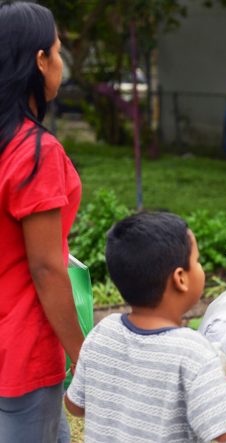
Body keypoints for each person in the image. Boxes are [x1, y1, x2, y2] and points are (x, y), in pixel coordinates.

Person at [64, 212, 226, 442]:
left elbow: (75, 405)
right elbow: (223, 429)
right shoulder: (193, 351)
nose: (200, 268)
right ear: (180, 279)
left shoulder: (103, 333)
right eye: (196, 261)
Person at [0, 2, 85, 441]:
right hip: (21, 346)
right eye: (56, 51)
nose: (59, 62)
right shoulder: (34, 151)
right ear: (38, 61)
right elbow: (46, 267)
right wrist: (81, 356)